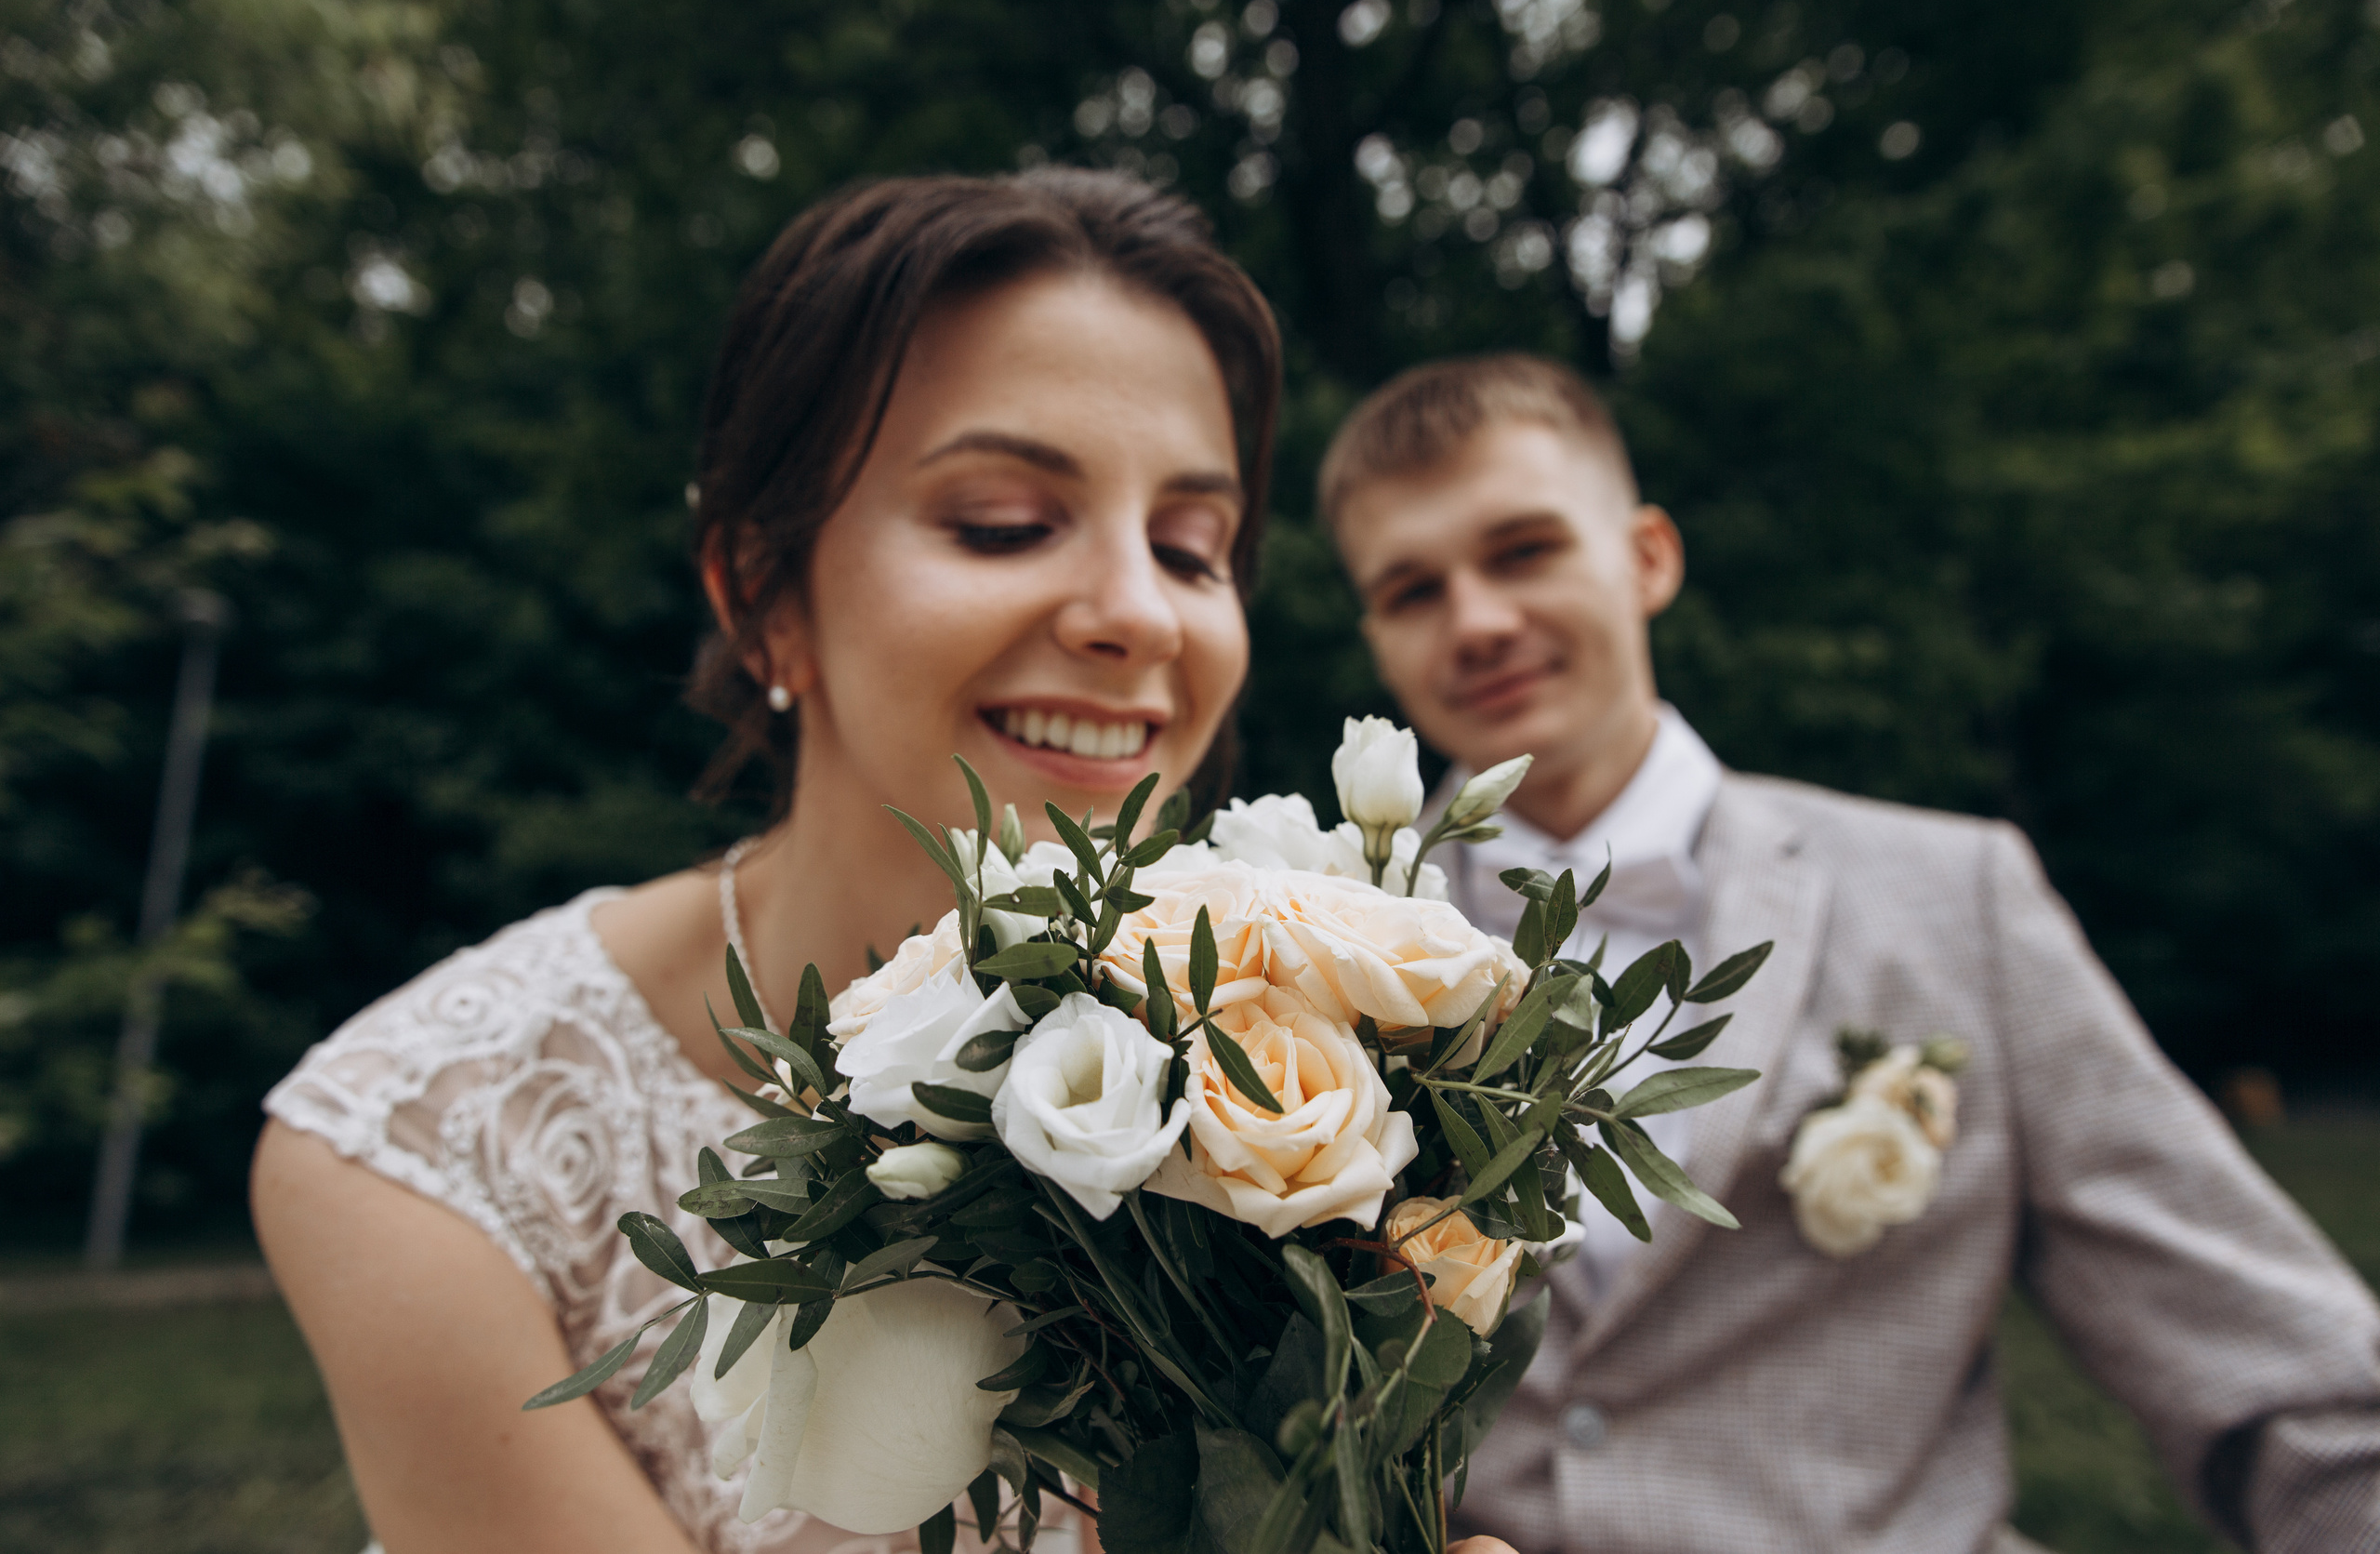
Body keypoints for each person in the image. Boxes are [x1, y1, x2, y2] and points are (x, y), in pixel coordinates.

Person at [252, 168, 1289, 1554]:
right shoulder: (425, 1151)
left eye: (1191, 546)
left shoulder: (1314, 1091)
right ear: (758, 594)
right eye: (1000, 522)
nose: (1135, 613)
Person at [1319, 352, 2380, 1554]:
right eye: (1413, 590)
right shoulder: (1313, 961)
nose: (1478, 620)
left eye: (1524, 551)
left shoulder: (1958, 898)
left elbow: (2289, 1375)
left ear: (1648, 557)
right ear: (1377, 635)